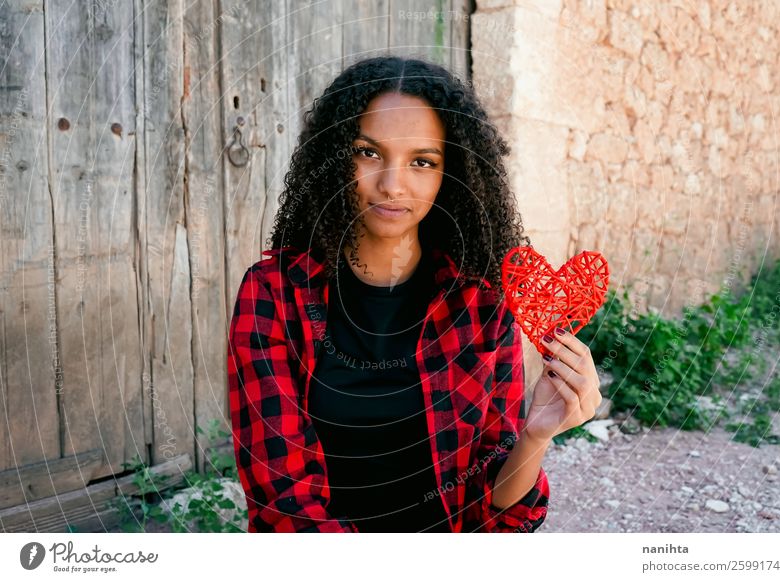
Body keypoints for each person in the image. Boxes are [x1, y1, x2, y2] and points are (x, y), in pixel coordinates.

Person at [227, 55, 602, 533]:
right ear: (335, 155)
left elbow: (496, 511)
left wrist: (535, 435)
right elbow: (283, 502)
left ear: (453, 174)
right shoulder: (274, 295)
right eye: (368, 152)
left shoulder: (483, 305)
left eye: (422, 161)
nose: (391, 184)